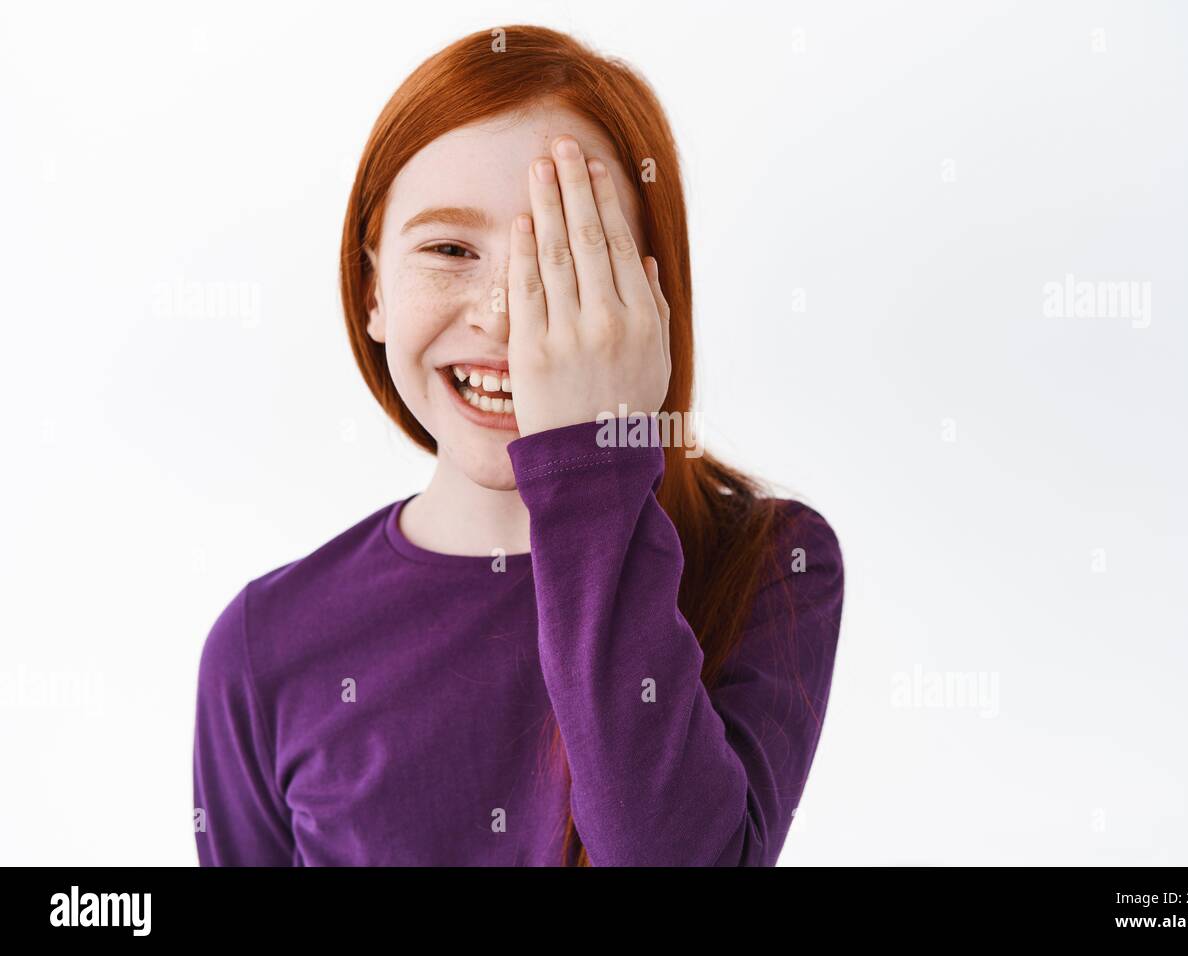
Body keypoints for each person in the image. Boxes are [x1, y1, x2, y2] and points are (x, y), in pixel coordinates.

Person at [192, 23, 845, 866]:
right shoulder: (263, 642)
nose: (505, 315)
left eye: (569, 259)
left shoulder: (773, 561)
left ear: (650, 300)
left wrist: (593, 462)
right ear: (371, 294)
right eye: (449, 250)